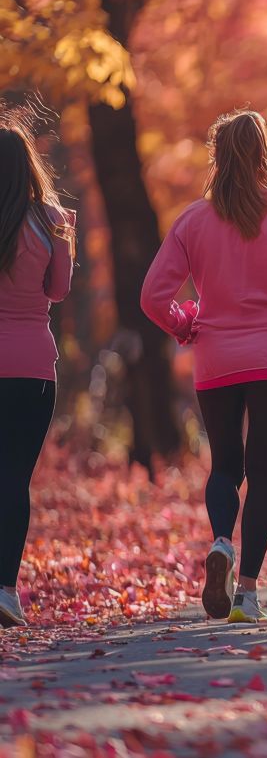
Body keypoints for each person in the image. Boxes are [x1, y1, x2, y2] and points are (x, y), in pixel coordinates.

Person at [141, 111, 267, 625]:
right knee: (264, 467)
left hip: (217, 359)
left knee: (225, 464)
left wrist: (185, 325)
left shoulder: (193, 221)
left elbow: (153, 296)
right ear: (263, 154)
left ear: (218, 157)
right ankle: (247, 592)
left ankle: (222, 540)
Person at [0, 113, 76, 629]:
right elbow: (58, 291)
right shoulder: (50, 219)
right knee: (14, 480)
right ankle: (6, 589)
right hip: (32, 367)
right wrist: (65, 240)